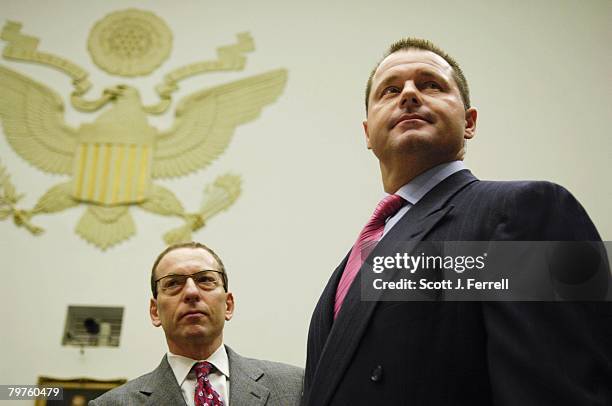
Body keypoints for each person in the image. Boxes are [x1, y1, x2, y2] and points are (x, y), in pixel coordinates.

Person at [302, 38, 611, 405]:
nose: (409, 95)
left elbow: (559, 389)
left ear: (469, 122)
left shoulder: (526, 211)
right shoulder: (351, 262)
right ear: (368, 133)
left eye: (430, 84)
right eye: (390, 90)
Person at [91, 241, 303, 406]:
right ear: (155, 312)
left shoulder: (296, 386)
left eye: (205, 280)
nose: (191, 292)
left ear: (228, 305)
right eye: (173, 283)